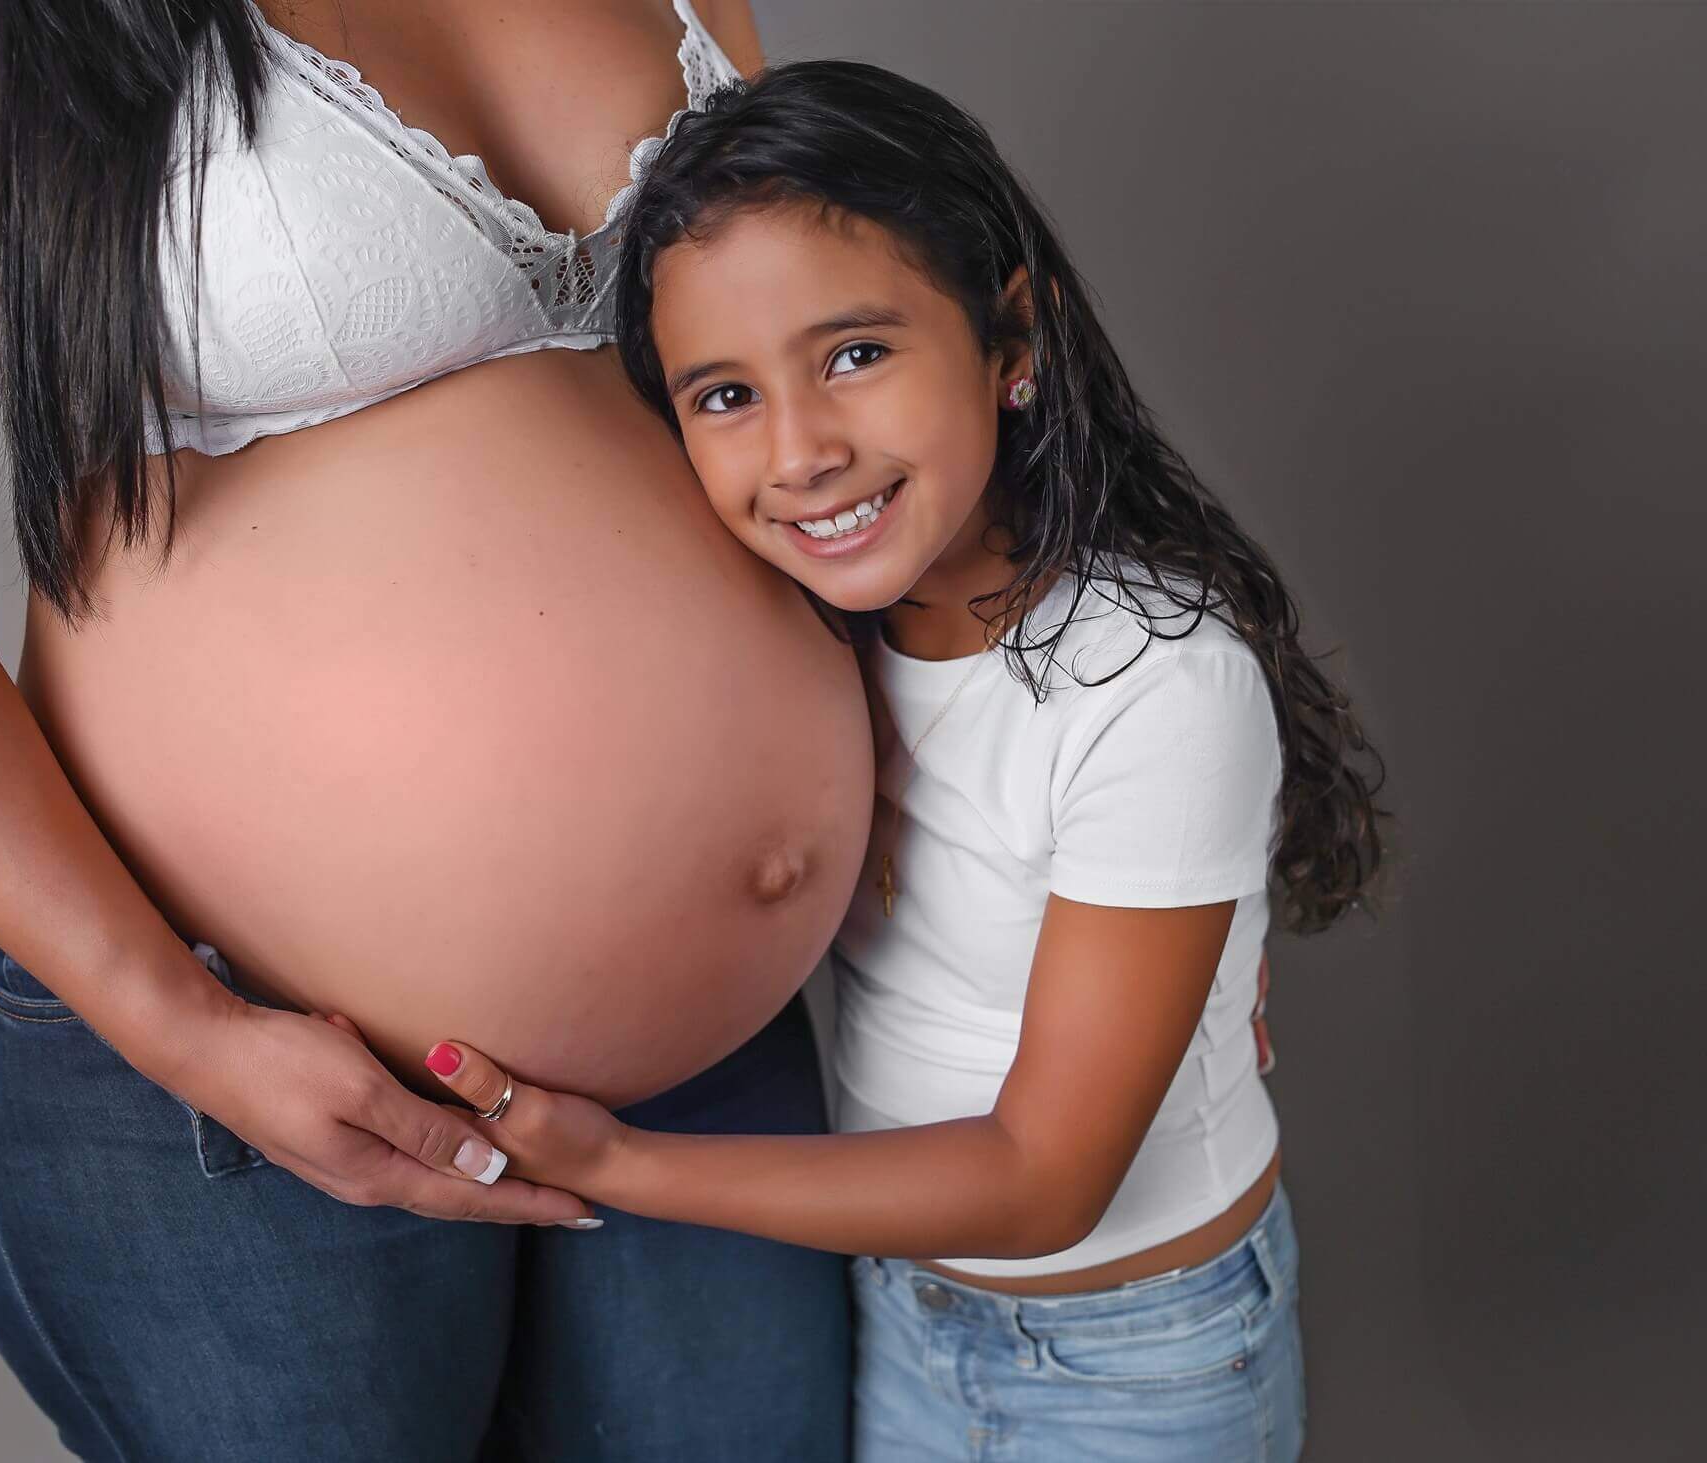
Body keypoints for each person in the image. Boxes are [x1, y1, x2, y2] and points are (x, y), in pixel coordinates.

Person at [0, 3, 865, 1458]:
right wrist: (190, 1032)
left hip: (715, 1059)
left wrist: (1097, 856)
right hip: (249, 1060)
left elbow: (846, 392)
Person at [401, 61, 1387, 1462]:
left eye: (856, 354)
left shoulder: (1155, 681)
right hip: (906, 1310)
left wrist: (623, 1168)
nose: (801, 452)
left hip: (1136, 1365)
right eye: (725, 394)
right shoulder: (805, 642)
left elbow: (1048, 1183)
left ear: (1011, 339)